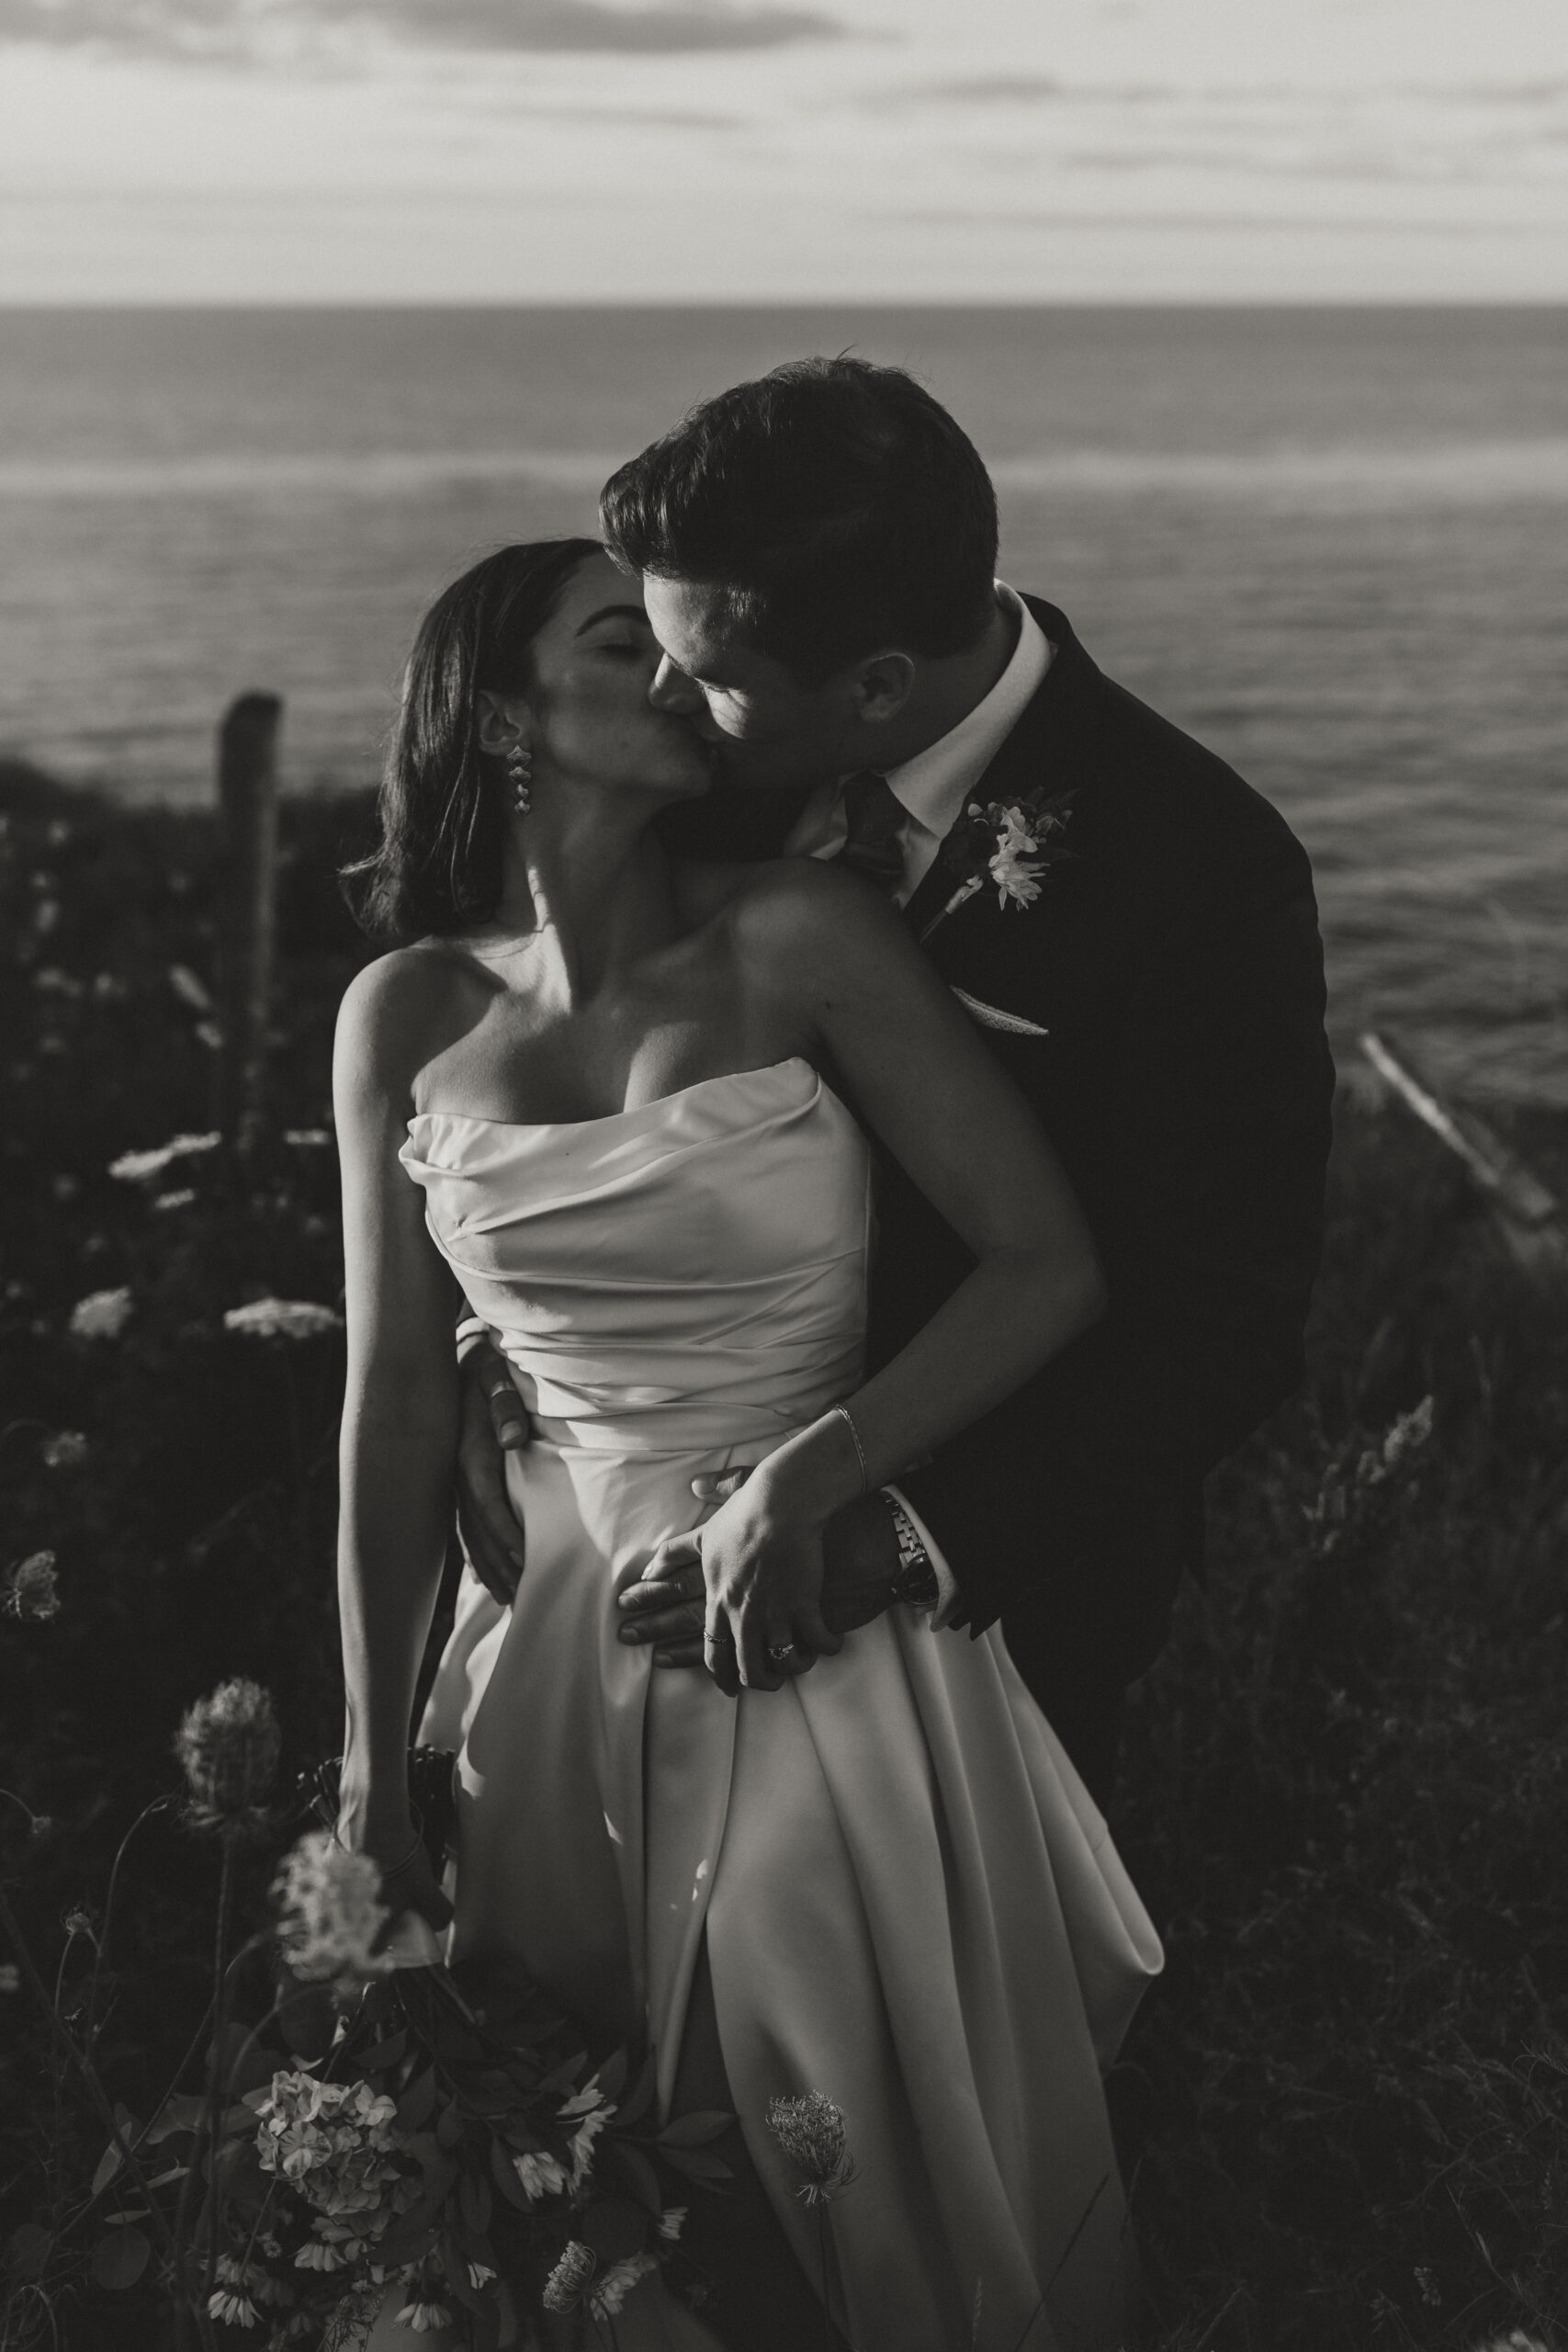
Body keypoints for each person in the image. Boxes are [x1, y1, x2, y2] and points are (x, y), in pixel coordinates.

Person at [333, 536, 1163, 2352]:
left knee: (829, 2145)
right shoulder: (406, 1010)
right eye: (618, 641)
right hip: (538, 1641)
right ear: (497, 715)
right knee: (576, 2159)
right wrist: (368, 1759)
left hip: (807, 1618)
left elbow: (1047, 1264)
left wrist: (812, 1474)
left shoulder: (800, 940)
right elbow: (394, 1397)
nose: (679, 676)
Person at [456, 357, 1337, 1806]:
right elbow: (565, 1068)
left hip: (999, 1586)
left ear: (873, 689)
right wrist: (506, 1349)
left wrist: (893, 1532)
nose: (665, 696)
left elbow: (1224, 1326)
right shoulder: (711, 762)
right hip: (633, 1528)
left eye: (710, 676)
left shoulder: (1201, 873)